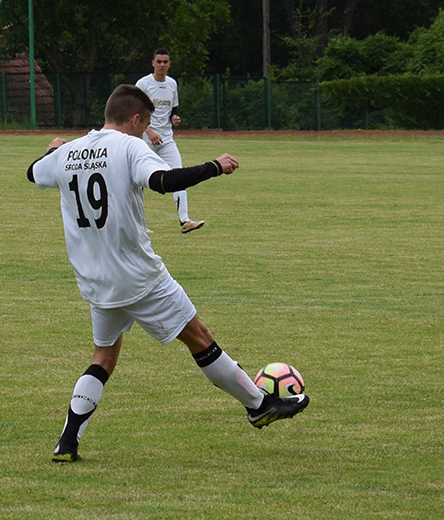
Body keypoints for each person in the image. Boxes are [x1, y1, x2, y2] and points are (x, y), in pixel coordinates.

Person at [27, 85, 309, 463]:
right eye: (144, 128)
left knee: (103, 356)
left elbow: (33, 173)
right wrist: (214, 166)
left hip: (96, 282)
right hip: (140, 277)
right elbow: (163, 182)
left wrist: (54, 150)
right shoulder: (128, 146)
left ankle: (67, 441)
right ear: (135, 119)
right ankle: (259, 405)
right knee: (200, 338)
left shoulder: (70, 150)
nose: (146, 135)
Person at [135, 48, 204, 233]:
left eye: (165, 62)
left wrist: (175, 119)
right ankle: (139, 225)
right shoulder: (143, 84)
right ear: (153, 63)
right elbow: (136, 113)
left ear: (169, 64)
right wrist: (148, 132)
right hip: (146, 139)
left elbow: (173, 110)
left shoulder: (172, 84)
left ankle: (185, 220)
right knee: (139, 182)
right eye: (159, 62)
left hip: (166, 139)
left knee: (179, 175)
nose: (162, 65)